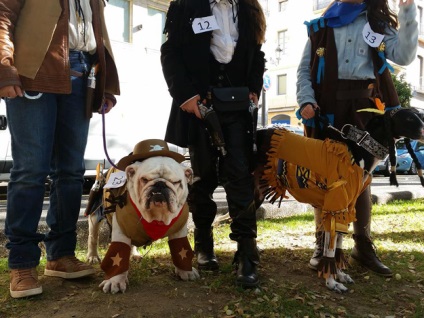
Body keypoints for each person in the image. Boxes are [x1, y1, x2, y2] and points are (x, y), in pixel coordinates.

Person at [0, 0, 120, 298]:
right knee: (31, 170)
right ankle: (22, 263)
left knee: (71, 171)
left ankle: (61, 254)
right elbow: (2, 16)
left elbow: (97, 33)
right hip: (33, 71)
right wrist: (5, 69)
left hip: (81, 71)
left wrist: (105, 82)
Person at [296, 0, 417, 277]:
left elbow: (406, 55)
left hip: (365, 112)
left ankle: (362, 245)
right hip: (327, 108)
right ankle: (324, 244)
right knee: (326, 178)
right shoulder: (321, 25)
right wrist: (306, 98)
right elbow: (305, 69)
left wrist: (409, 10)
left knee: (361, 180)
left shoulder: (377, 22)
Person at [161, 0, 266, 288]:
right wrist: (186, 96)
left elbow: (257, 54)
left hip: (237, 108)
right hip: (200, 107)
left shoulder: (248, 9)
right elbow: (170, 53)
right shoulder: (184, 6)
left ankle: (247, 253)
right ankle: (204, 244)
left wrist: (255, 89)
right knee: (204, 177)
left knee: (240, 177)